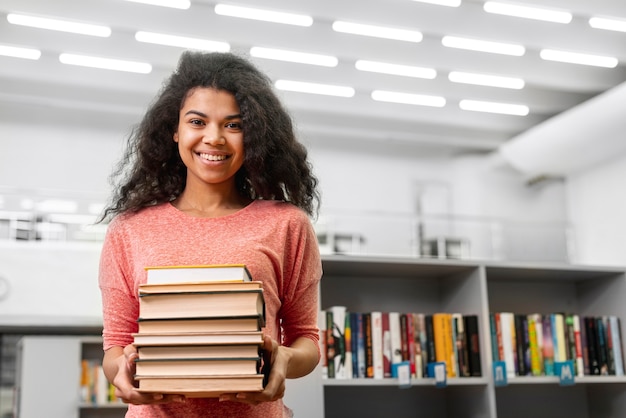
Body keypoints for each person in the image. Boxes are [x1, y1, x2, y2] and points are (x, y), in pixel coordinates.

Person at [97, 50, 322, 417]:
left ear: (253, 135)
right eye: (197, 121)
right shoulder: (129, 229)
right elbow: (115, 348)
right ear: (175, 130)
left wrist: (282, 359)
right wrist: (122, 373)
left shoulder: (287, 224)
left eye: (233, 125)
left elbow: (307, 341)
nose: (214, 138)